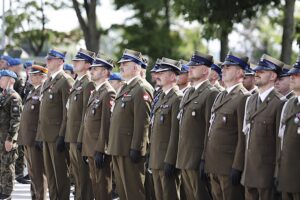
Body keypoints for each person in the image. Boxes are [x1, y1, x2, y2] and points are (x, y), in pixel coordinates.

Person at [202, 52, 250, 200]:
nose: (223, 69)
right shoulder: (220, 95)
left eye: (228, 67)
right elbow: (210, 130)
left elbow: (243, 137)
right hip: (214, 163)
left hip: (229, 166)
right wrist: (205, 158)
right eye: (223, 67)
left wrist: (237, 166)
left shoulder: (243, 97)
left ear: (240, 72)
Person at [107, 49, 154, 200]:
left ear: (135, 67)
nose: (121, 67)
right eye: (121, 64)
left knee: (134, 192)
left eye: (125, 64)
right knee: (123, 192)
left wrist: (137, 148)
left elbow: (143, 122)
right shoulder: (126, 87)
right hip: (119, 147)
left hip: (130, 149)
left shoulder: (141, 88)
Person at [176, 51, 219, 200]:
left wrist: (204, 158)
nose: (190, 69)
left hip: (196, 157)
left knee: (200, 195)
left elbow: (210, 130)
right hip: (184, 156)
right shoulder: (189, 93)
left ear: (206, 70)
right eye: (190, 66)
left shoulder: (210, 93)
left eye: (195, 66)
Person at [242, 54, 284, 200]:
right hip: (249, 171)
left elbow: (280, 143)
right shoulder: (251, 100)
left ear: (273, 76)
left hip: (266, 172)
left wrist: (277, 174)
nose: (256, 73)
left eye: (262, 71)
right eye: (257, 71)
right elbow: (246, 136)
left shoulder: (279, 103)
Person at [36, 49, 74, 199]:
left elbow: (67, 111)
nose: (48, 61)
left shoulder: (66, 80)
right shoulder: (48, 81)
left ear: (60, 61)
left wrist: (62, 135)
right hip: (46, 135)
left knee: (60, 176)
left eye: (51, 59)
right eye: (48, 59)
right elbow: (42, 112)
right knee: (50, 175)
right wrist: (39, 135)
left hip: (57, 136)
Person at [82, 53, 116, 199]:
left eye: (96, 69)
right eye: (92, 68)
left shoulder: (108, 92)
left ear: (105, 72)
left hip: (99, 148)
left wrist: (101, 150)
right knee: (96, 186)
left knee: (102, 187)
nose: (92, 71)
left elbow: (106, 124)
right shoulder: (96, 91)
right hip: (90, 147)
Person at [149, 57, 182, 200]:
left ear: (173, 76)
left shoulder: (177, 98)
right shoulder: (161, 97)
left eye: (163, 72)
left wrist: (171, 159)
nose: (158, 75)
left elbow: (176, 133)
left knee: (170, 195)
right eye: (158, 72)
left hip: (167, 158)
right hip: (156, 156)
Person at [65, 48, 95, 200]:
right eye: (74, 61)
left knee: (84, 179)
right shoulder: (78, 82)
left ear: (88, 64)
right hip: (72, 136)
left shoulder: (88, 83)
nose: (75, 63)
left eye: (78, 61)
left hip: (80, 138)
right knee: (76, 177)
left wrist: (82, 138)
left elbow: (86, 114)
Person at [17, 65, 48, 200]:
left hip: (35, 137)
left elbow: (43, 117)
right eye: (31, 74)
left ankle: (40, 197)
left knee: (39, 172)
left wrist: (39, 136)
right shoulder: (32, 91)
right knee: (32, 172)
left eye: (35, 75)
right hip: (27, 137)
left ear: (42, 77)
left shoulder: (42, 91)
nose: (31, 76)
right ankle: (34, 197)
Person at [277, 55, 300, 200]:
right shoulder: (288, 104)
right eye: (291, 74)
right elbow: (282, 141)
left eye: (297, 74)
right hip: (287, 175)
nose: (292, 77)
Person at [0, 70, 23, 199]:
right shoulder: (3, 95)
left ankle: (7, 192)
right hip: (0, 137)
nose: (0, 80)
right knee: (1, 165)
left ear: (11, 80)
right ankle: (2, 188)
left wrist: (10, 139)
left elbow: (16, 120)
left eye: (2, 78)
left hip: (7, 137)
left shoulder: (14, 97)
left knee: (7, 164)